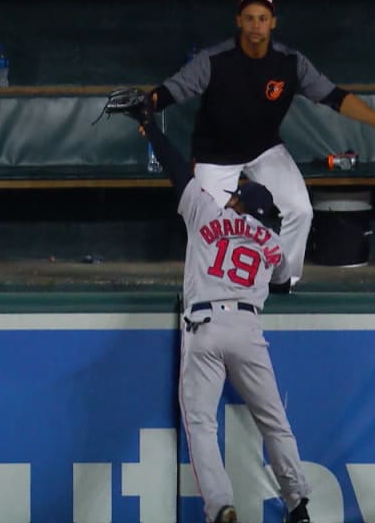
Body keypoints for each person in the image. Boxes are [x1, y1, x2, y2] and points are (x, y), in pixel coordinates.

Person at [101, 87, 312, 523]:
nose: (231, 197)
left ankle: (221, 507)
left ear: (237, 203)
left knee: (201, 424)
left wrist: (150, 127)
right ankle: (299, 504)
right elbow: (281, 280)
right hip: (248, 329)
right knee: (274, 422)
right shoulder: (273, 243)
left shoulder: (208, 213)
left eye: (235, 195)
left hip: (205, 324)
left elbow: (177, 170)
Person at [150, 0, 375, 288]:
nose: (256, 25)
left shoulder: (290, 62)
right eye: (250, 18)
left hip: (263, 149)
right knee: (205, 221)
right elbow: (174, 89)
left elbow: (334, 96)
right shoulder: (214, 59)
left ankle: (283, 282)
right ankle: (208, 287)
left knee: (300, 209)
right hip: (215, 154)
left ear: (273, 22)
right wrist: (146, 107)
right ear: (238, 21)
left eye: (262, 18)